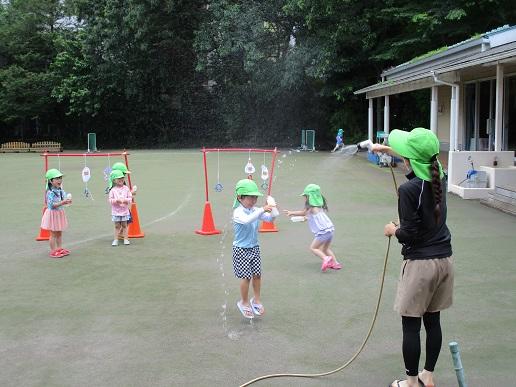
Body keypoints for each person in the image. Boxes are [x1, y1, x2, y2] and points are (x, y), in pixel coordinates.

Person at [371, 127, 453, 387]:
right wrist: (389, 151)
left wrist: (392, 229)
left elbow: (410, 234)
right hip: (444, 261)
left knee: (410, 326)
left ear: (408, 160)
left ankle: (409, 382)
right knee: (433, 320)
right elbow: (419, 163)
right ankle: (427, 376)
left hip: (421, 266)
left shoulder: (408, 190)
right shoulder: (439, 174)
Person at [232, 179, 278, 319]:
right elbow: (247, 220)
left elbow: (271, 218)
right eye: (250, 197)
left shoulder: (255, 210)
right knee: (246, 277)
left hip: (254, 248)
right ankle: (244, 302)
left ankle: (256, 300)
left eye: (255, 197)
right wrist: (262, 209)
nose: (253, 200)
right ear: (240, 197)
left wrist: (272, 205)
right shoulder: (238, 212)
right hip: (241, 249)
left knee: (257, 275)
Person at [283, 184, 342, 272]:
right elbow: (310, 217)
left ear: (310, 197)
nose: (304, 198)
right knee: (325, 249)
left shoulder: (310, 207)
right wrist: (304, 219)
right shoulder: (318, 207)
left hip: (323, 232)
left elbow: (303, 213)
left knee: (313, 248)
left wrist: (292, 212)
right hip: (330, 230)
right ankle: (336, 263)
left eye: (305, 196)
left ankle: (326, 259)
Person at [41, 169, 72, 258]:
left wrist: (68, 201)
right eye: (57, 179)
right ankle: (53, 251)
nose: (59, 180)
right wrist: (63, 202)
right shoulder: (50, 192)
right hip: (53, 214)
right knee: (53, 234)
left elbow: (65, 201)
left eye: (60, 178)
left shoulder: (61, 191)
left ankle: (59, 248)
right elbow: (51, 205)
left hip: (59, 213)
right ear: (51, 181)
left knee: (59, 233)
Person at [108, 169, 133, 246]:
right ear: (114, 180)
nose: (121, 179)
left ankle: (126, 238)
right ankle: (116, 239)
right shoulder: (112, 190)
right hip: (116, 212)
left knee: (124, 225)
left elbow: (130, 197)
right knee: (117, 226)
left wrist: (126, 200)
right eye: (118, 178)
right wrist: (116, 201)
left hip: (124, 211)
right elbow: (110, 200)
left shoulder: (126, 188)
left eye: (122, 178)